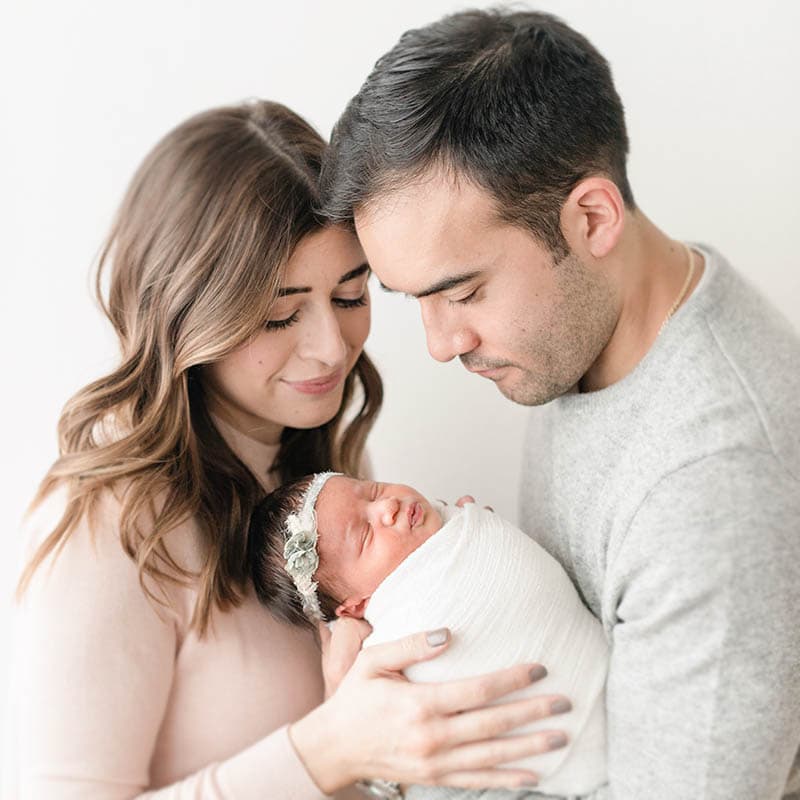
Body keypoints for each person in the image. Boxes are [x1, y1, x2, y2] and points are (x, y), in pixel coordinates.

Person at [4, 100, 568, 799]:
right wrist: (329, 748)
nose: (331, 348)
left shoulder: (317, 481)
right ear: (185, 314)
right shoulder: (113, 526)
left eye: (351, 295)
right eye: (279, 314)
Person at [320, 9, 800, 800]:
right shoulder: (582, 335)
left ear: (592, 218)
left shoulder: (715, 485)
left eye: (463, 291)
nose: (442, 344)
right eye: (417, 303)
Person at [249, 471, 608, 797]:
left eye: (372, 491)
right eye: (365, 535)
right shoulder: (383, 656)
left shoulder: (442, 521)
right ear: (354, 607)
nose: (387, 506)